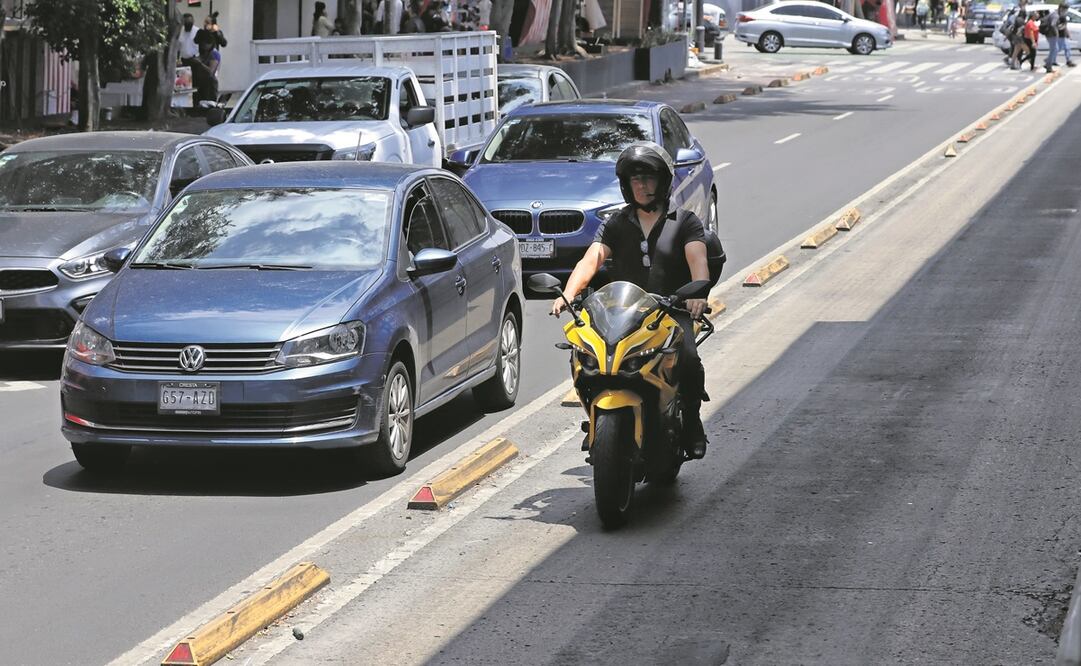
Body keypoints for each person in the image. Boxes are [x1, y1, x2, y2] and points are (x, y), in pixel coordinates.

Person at [550, 143, 712, 460]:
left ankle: (691, 422)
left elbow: (698, 260)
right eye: (635, 179)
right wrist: (568, 294)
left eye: (648, 178)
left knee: (689, 359)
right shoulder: (616, 224)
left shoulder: (685, 221)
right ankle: (596, 417)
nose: (641, 185)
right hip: (622, 313)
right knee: (585, 357)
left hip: (669, 312)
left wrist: (696, 294)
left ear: (663, 182)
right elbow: (591, 260)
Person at [1043, 3, 1077, 72]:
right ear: (1061, 8)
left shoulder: (1057, 14)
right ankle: (1048, 65)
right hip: (1052, 35)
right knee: (1055, 49)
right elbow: (1053, 25)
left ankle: (1048, 63)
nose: (1066, 11)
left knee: (1056, 49)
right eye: (1065, 10)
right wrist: (1056, 33)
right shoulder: (1056, 15)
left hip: (1052, 35)